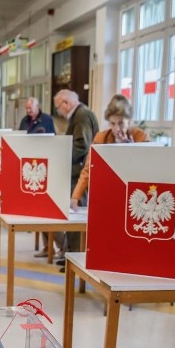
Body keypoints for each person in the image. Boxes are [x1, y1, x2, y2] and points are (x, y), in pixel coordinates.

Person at [69, 94, 149, 211]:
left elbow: (147, 168)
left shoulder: (140, 136)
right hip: (108, 191)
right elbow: (88, 169)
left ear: (130, 121)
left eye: (121, 123)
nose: (117, 128)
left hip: (134, 195)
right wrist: (75, 197)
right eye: (112, 123)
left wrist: (132, 148)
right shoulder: (101, 138)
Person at [52, 89, 99, 261]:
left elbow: (81, 145)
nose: (59, 112)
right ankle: (70, 257)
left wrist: (61, 156)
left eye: (58, 108)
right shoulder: (80, 115)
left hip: (80, 175)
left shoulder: (82, 116)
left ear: (66, 103)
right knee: (72, 218)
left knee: (76, 217)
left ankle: (74, 259)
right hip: (77, 174)